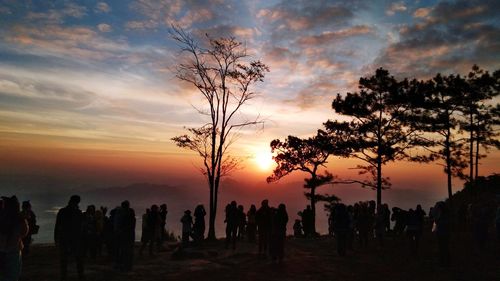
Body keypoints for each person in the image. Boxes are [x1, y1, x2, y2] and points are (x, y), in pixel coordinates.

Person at [54, 195, 85, 281]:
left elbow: (57, 226)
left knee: (65, 260)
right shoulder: (78, 213)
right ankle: (80, 276)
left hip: (65, 239)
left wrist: (56, 239)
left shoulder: (62, 211)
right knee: (78, 259)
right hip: (74, 240)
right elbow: (81, 228)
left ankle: (64, 277)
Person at [0, 196, 29, 281]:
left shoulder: (2, 217)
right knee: (12, 276)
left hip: (1, 251)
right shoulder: (19, 219)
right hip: (13, 252)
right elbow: (24, 232)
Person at [114, 200, 136, 272]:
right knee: (127, 251)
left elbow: (118, 225)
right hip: (128, 235)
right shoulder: (129, 213)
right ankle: (127, 266)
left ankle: (123, 265)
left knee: (124, 251)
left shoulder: (121, 214)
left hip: (124, 234)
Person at [434, 201, 450, 267]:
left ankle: (443, 261)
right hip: (445, 232)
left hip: (441, 232)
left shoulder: (440, 214)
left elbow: (436, 221)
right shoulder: (447, 214)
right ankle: (446, 260)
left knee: (442, 247)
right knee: (445, 246)